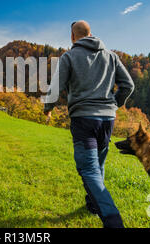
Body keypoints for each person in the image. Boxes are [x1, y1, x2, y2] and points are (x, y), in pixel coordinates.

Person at [44, 20, 135, 228]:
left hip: (84, 120)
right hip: (107, 120)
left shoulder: (69, 56)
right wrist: (115, 104)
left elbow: (55, 87)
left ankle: (113, 221)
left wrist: (47, 109)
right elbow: (128, 85)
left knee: (89, 169)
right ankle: (94, 205)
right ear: (90, 33)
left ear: (73, 37)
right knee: (98, 165)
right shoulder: (111, 56)